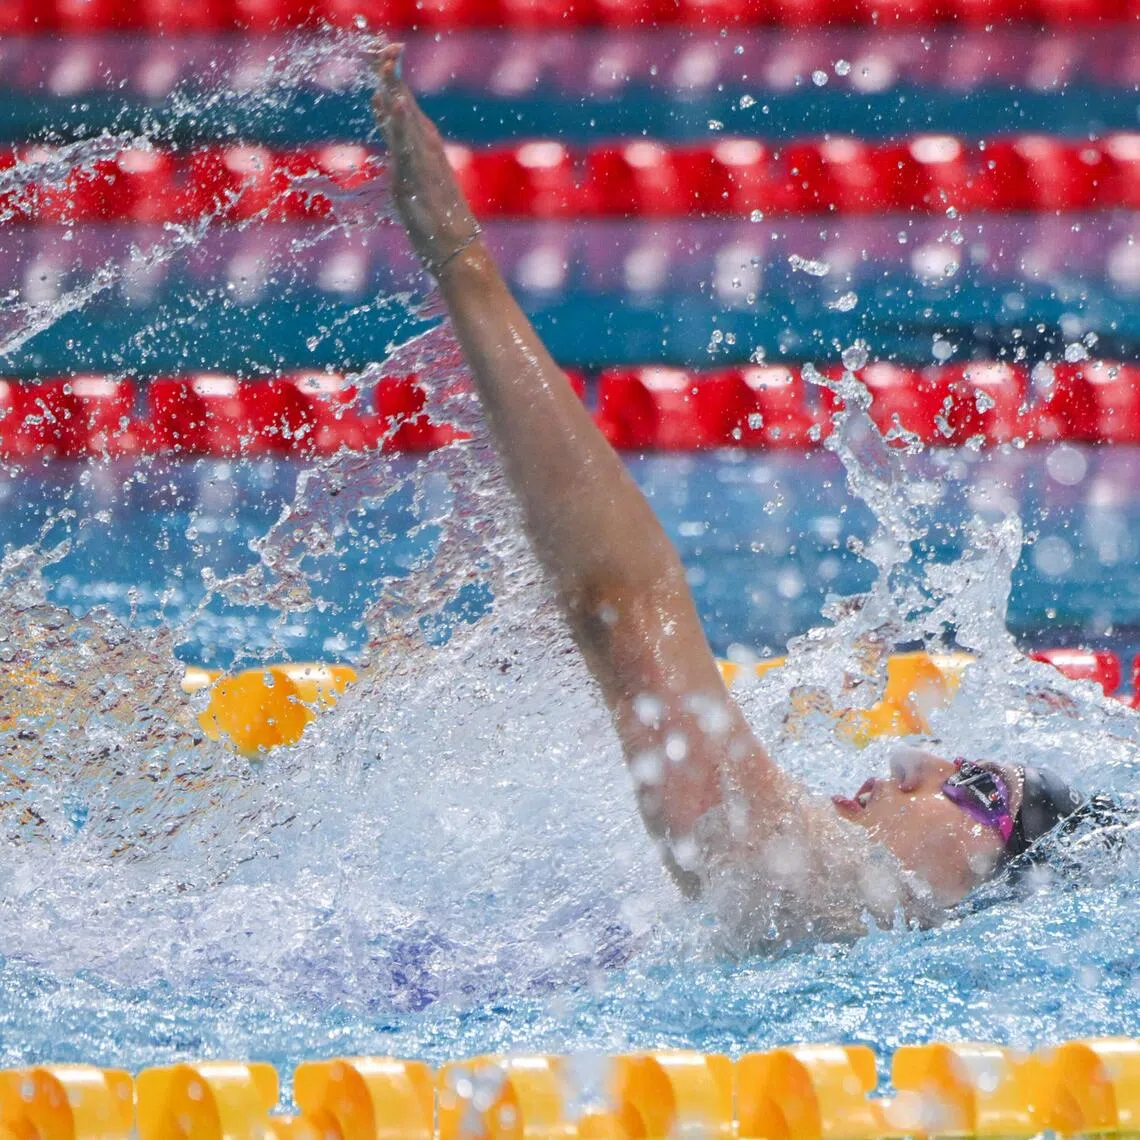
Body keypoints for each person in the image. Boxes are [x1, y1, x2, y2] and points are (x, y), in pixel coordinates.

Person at [369, 44, 1116, 945]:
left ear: (995, 897)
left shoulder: (837, 901)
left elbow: (621, 604)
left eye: (978, 790)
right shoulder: (839, 921)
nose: (916, 756)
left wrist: (461, 260)